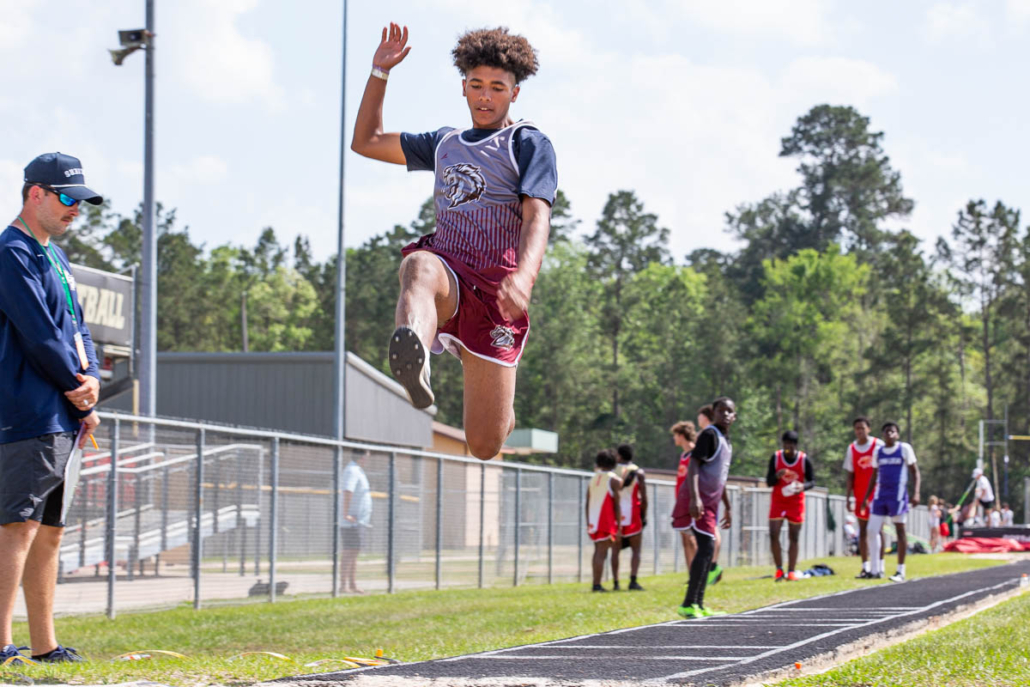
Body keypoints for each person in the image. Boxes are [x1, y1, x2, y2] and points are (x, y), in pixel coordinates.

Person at [351, 24, 557, 461]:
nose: (485, 97)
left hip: (496, 295)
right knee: (418, 265)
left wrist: (524, 277)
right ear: (463, 86)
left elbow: (537, 216)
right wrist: (379, 73)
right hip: (449, 275)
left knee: (483, 444)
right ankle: (416, 357)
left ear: (515, 93)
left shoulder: (527, 143)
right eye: (477, 85)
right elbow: (366, 142)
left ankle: (503, 409)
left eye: (497, 88)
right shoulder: (445, 142)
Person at [0, 153, 104, 665]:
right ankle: (1, 646)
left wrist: (93, 381)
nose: (75, 209)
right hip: (30, 412)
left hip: (64, 414)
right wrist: (75, 389)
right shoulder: (11, 251)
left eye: (80, 202)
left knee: (50, 532)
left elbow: (78, 328)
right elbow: (38, 333)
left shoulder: (56, 257)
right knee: (16, 527)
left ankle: (44, 646)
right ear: (35, 193)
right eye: (66, 198)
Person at [672, 398, 736, 618]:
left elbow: (721, 477)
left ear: (734, 416)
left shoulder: (726, 441)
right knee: (706, 546)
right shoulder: (709, 435)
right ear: (713, 413)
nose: (725, 414)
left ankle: (697, 603)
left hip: (711, 503)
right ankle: (689, 603)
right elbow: (694, 465)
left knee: (708, 549)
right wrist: (695, 498)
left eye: (729, 411)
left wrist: (727, 506)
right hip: (698, 502)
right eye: (721, 410)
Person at [861, 422, 920, 583]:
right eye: (886, 432)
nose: (889, 434)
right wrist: (866, 497)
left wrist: (916, 492)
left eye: (892, 431)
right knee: (872, 530)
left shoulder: (904, 449)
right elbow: (874, 476)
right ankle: (876, 569)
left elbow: (915, 472)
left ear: (897, 434)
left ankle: (900, 570)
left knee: (900, 530)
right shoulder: (878, 451)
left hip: (898, 495)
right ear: (883, 435)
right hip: (880, 495)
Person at [767, 430, 814, 581]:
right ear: (783, 444)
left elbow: (812, 481)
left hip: (796, 502)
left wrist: (802, 486)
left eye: (792, 444)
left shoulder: (803, 459)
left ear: (796, 445)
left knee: (794, 536)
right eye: (786, 444)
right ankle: (779, 569)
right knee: (773, 534)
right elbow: (769, 482)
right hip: (779, 501)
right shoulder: (776, 458)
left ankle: (791, 571)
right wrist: (777, 476)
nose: (789, 447)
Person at [843, 417, 884, 579]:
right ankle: (865, 566)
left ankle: (880, 566)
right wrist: (848, 497)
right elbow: (850, 475)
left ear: (869, 429)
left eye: (862, 428)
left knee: (878, 530)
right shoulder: (852, 448)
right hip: (860, 495)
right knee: (863, 531)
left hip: (877, 494)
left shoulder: (878, 445)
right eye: (857, 428)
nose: (860, 431)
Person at [586, 449, 622, 592]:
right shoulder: (614, 480)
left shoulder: (593, 479)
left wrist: (588, 521)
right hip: (606, 519)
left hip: (594, 519)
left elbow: (587, 502)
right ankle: (597, 585)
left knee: (598, 551)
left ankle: (597, 583)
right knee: (602, 552)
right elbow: (617, 505)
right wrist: (619, 525)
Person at [614, 444, 647, 591]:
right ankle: (633, 580)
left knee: (615, 550)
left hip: (616, 515)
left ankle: (616, 583)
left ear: (619, 456)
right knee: (636, 549)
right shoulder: (638, 472)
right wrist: (644, 515)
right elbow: (644, 497)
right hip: (633, 514)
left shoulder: (613, 471)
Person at [340, 452, 373, 594]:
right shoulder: (352, 470)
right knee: (349, 552)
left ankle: (352, 584)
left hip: (359, 520)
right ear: (362, 457)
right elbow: (348, 491)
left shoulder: (358, 470)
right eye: (367, 457)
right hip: (351, 521)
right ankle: (343, 586)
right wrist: (346, 514)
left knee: (354, 551)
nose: (368, 460)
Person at [671, 420, 698, 571]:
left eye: (675, 435)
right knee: (685, 539)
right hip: (681, 503)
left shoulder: (694, 453)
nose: (674, 438)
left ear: (681, 435)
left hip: (691, 502)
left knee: (693, 538)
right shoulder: (683, 455)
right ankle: (691, 574)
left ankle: (699, 572)